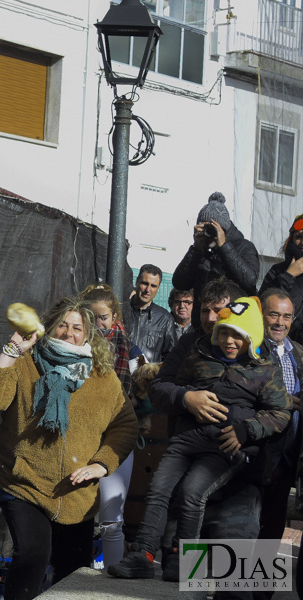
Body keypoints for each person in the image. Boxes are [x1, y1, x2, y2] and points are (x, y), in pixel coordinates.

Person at [108, 296, 290, 580]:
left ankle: (241, 586)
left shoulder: (276, 362)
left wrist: (245, 428)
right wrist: (185, 397)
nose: (212, 318)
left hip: (241, 476)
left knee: (238, 574)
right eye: (207, 311)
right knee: (169, 496)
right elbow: (159, 388)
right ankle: (150, 556)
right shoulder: (195, 348)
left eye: (285, 316)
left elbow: (281, 413)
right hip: (189, 452)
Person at [0, 296, 137, 600]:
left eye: (77, 327)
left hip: (76, 494)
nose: (68, 332)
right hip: (23, 482)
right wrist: (12, 350)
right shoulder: (26, 361)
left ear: (88, 334)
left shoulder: (102, 377)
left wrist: (101, 465)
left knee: (73, 573)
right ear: (49, 327)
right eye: (62, 324)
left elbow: (125, 425)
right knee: (34, 554)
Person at [78, 283, 141, 568]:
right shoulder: (76, 342)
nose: (98, 324)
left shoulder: (121, 342)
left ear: (114, 315)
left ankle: (111, 585)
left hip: (114, 433)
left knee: (111, 518)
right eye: (92, 318)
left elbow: (121, 392)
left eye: (103, 317)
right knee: (76, 513)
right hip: (83, 433)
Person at [254, 289, 303, 600]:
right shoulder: (251, 348)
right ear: (262, 316)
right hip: (253, 450)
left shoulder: (299, 352)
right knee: (243, 525)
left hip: (287, 454)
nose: (280, 322)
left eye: (286, 316)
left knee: (272, 526)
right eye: (274, 314)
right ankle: (230, 591)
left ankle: (263, 594)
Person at [171, 192, 259, 298]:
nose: (208, 233)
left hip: (232, 313)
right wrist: (196, 249)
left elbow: (250, 281)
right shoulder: (200, 250)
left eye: (212, 227)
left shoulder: (244, 247)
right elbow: (180, 284)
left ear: (223, 228)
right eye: (204, 227)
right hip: (204, 313)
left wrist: (224, 246)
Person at [258, 214, 303, 344]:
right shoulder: (278, 271)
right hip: (280, 343)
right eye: (298, 237)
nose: (302, 242)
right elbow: (262, 305)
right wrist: (288, 276)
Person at [126, 264, 171, 362]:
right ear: (137, 281)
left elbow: (171, 357)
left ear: (158, 288)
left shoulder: (165, 319)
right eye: (145, 283)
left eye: (153, 286)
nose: (148, 290)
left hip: (149, 377)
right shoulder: (122, 310)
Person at [160, 287, 194, 359]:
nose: (182, 306)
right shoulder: (161, 325)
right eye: (177, 302)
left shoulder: (199, 328)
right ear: (170, 304)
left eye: (187, 302)